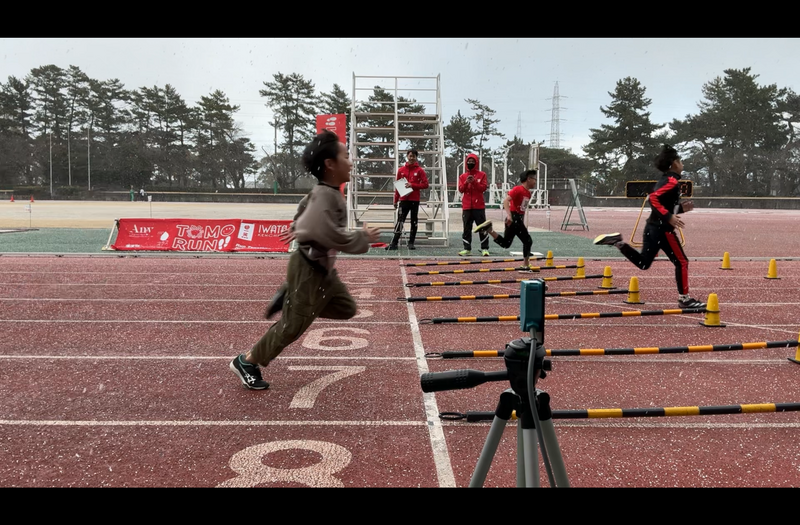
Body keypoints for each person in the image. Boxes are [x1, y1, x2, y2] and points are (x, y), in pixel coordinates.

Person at [229, 130, 381, 390]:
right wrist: (363, 238)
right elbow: (330, 235)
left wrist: (298, 224)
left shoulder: (326, 191)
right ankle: (246, 361)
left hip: (323, 272)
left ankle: (294, 299)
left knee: (346, 309)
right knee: (291, 328)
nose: (351, 162)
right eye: (346, 156)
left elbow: (305, 205)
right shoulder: (326, 196)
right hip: (308, 270)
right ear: (330, 164)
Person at [593, 144, 706, 309]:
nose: (682, 165)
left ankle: (618, 243)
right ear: (674, 163)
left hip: (652, 228)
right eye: (680, 161)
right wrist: (669, 217)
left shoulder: (666, 180)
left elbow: (663, 205)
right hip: (662, 230)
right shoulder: (671, 181)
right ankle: (685, 299)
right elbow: (653, 199)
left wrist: (681, 209)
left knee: (644, 263)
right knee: (682, 262)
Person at [473, 169, 537, 272]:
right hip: (513, 218)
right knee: (528, 241)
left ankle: (489, 230)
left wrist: (521, 221)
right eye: (534, 179)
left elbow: (522, 209)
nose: (535, 182)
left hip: (517, 219)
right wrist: (509, 216)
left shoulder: (528, 193)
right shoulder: (518, 189)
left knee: (506, 244)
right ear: (528, 179)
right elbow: (506, 201)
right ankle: (526, 265)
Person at [387, 148, 429, 251]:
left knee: (414, 221)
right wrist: (395, 200)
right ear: (407, 156)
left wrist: (412, 185)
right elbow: (397, 186)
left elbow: (425, 184)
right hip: (404, 200)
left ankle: (411, 242)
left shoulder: (420, 171)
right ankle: (394, 242)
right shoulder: (401, 170)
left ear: (416, 157)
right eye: (410, 156)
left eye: (413, 156)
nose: (411, 158)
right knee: (400, 221)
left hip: (414, 200)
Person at [458, 153, 490, 257]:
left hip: (479, 206)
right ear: (466, 163)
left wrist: (475, 182)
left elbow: (483, 188)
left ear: (476, 163)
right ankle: (467, 248)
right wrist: (467, 182)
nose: (470, 163)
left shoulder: (482, 175)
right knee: (467, 228)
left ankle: (484, 248)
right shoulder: (462, 176)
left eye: (473, 161)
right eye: (469, 161)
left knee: (482, 227)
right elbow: (461, 189)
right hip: (467, 206)